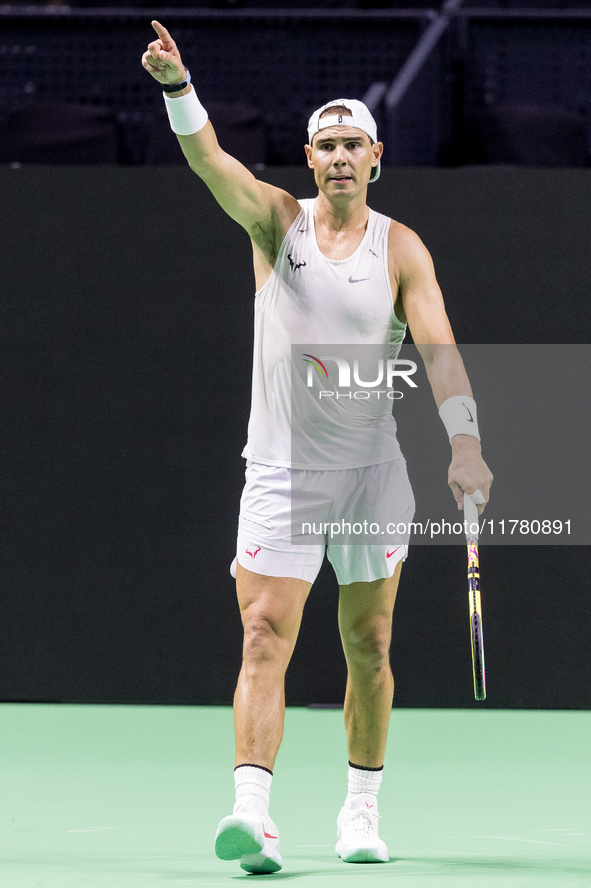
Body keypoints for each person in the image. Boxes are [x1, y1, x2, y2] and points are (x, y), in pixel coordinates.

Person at [142, 20, 493, 875]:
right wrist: (176, 88)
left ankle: (360, 812)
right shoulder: (276, 225)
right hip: (282, 476)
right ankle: (252, 815)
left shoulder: (400, 248)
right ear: (309, 156)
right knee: (264, 634)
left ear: (376, 158)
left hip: (372, 478)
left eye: (354, 145)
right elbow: (210, 163)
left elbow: (438, 351)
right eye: (326, 145)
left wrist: (464, 445)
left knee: (367, 648)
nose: (340, 157)